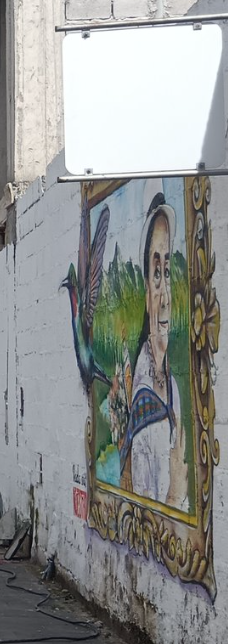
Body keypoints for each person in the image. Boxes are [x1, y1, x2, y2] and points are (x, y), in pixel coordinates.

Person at [125, 195, 188, 511]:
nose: (165, 296)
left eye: (167, 268)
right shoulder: (145, 401)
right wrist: (176, 494)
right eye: (155, 272)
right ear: (146, 289)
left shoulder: (171, 386)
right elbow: (146, 519)